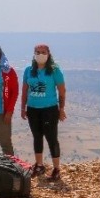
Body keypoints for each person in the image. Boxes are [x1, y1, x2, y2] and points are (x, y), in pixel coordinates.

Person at [21, 43, 66, 180]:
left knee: (52, 138)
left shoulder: (54, 70)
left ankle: (56, 169)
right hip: (33, 109)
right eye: (37, 52)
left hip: (49, 109)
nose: (40, 55)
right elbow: (24, 90)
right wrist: (23, 107)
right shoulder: (28, 70)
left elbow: (62, 91)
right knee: (37, 136)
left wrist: (61, 109)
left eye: (43, 52)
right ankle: (39, 165)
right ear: (34, 54)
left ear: (48, 54)